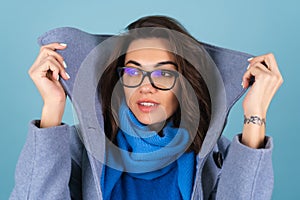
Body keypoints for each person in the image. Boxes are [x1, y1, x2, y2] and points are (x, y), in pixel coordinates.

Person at [10, 15, 283, 200]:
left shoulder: (217, 156)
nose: (146, 86)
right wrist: (53, 106)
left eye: (164, 74)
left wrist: (255, 114)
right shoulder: (77, 148)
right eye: (132, 71)